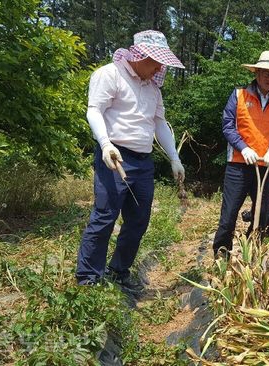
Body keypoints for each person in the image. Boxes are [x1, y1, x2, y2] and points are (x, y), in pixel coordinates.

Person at [76, 30, 186, 290]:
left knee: (138, 219)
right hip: (115, 156)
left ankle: (119, 271)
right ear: (139, 55)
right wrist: (105, 144)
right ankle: (88, 278)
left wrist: (174, 157)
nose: (159, 67)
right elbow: (94, 110)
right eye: (155, 61)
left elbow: (159, 123)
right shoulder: (110, 74)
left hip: (143, 161)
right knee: (105, 216)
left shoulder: (153, 87)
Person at [213, 50, 269, 259]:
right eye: (265, 73)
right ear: (257, 72)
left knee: (262, 214)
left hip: (267, 166)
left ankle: (252, 253)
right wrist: (244, 147)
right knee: (229, 214)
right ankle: (222, 255)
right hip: (239, 164)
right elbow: (228, 126)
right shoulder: (239, 95)